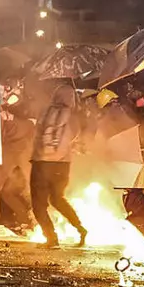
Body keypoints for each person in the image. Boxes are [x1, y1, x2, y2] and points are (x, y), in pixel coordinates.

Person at [30, 79, 91, 249]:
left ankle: (51, 238)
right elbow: (76, 138)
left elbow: (38, 133)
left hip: (42, 163)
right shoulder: (74, 116)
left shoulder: (46, 111)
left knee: (39, 204)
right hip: (62, 164)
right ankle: (80, 228)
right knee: (58, 198)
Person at [0, 82, 36, 227]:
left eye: (8, 90)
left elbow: (32, 124)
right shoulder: (1, 107)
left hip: (24, 151)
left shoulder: (26, 105)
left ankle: (40, 217)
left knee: (32, 185)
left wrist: (13, 119)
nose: (6, 94)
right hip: (8, 152)